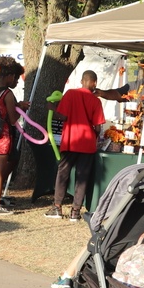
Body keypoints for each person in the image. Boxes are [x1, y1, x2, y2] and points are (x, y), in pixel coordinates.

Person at [47, 70, 105, 221]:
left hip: (71, 141)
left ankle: (57, 207)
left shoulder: (70, 94)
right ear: (94, 83)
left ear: (81, 81)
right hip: (87, 143)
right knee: (82, 177)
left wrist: (52, 108)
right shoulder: (96, 101)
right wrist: (94, 134)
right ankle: (75, 211)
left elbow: (62, 116)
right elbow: (98, 127)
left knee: (63, 173)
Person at [0, 57, 29, 215]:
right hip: (3, 135)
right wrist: (19, 110)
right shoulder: (8, 94)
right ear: (9, 76)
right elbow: (12, 119)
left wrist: (16, 106)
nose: (16, 81)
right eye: (15, 77)